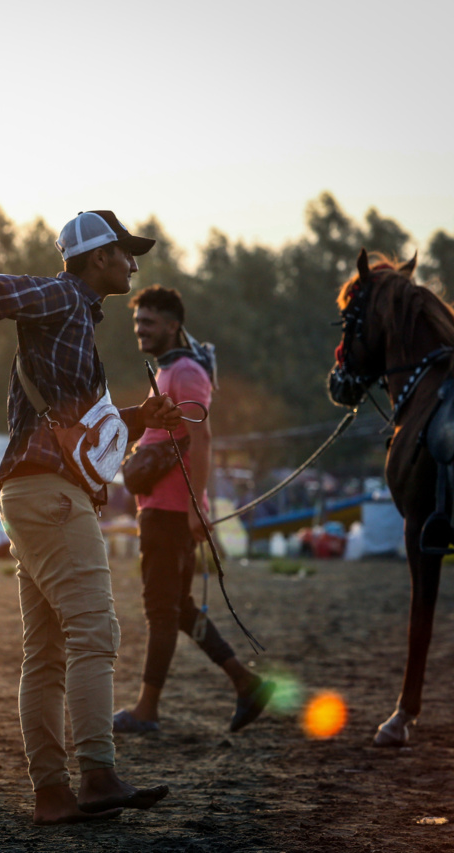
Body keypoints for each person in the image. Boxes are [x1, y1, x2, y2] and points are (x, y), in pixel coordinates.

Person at [0, 211, 177, 825]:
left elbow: (84, 427)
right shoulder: (61, 294)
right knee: (94, 632)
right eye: (125, 254)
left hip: (35, 494)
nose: (133, 265)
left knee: (49, 651)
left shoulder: (74, 317)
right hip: (51, 496)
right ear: (98, 257)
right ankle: (99, 775)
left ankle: (54, 793)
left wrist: (140, 417)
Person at [113, 285, 274, 734]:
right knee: (179, 609)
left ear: (173, 326)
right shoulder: (169, 371)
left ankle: (146, 710)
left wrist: (194, 507)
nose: (140, 329)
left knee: (160, 612)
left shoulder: (184, 373)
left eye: (149, 321)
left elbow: (201, 440)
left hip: (170, 510)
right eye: (137, 322)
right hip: (163, 507)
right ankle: (246, 683)